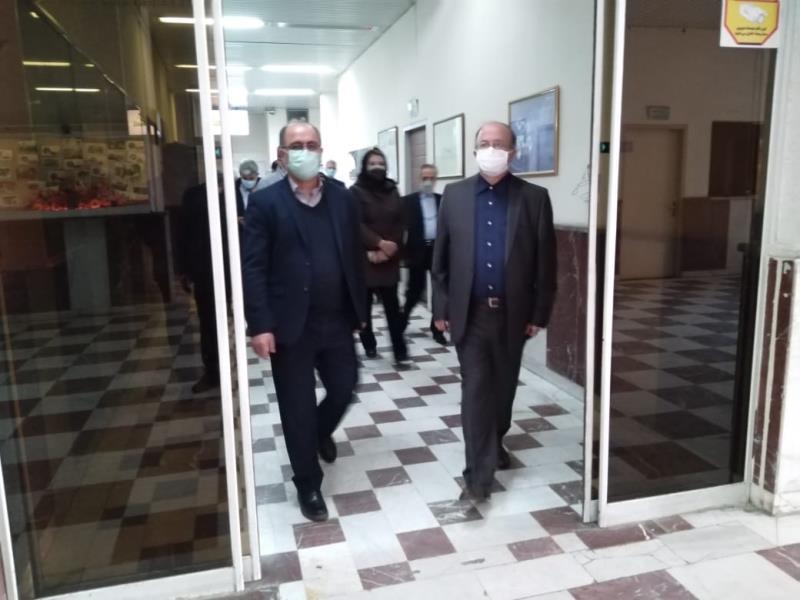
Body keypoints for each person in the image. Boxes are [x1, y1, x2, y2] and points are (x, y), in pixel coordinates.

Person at [243, 120, 366, 522]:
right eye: (297, 145)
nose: (305, 151)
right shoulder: (265, 202)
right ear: (282, 155)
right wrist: (260, 325)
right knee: (297, 406)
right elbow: (253, 267)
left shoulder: (342, 198)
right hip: (289, 325)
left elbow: (352, 257)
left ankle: (318, 432)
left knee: (344, 386)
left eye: (312, 144)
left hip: (336, 319)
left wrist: (359, 311)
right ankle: (308, 483)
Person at [432, 121, 557, 501]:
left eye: (498, 144)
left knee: (502, 390)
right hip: (469, 314)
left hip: (512, 315)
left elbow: (545, 262)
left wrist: (539, 313)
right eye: (484, 143)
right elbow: (441, 259)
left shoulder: (534, 198)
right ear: (474, 151)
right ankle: (477, 478)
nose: (490, 149)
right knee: (475, 390)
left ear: (513, 152)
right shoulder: (454, 195)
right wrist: (441, 307)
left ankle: (495, 439)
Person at [351, 148, 408, 363]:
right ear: (365, 167)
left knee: (393, 309)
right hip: (366, 258)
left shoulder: (392, 190)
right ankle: (369, 344)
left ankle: (400, 351)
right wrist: (378, 244)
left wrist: (389, 248)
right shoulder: (355, 191)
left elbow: (400, 221)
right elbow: (356, 224)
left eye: (381, 163)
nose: (377, 167)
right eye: (372, 163)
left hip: (388, 260)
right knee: (364, 309)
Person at [178, 175, 231, 394]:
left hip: (239, 266)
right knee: (209, 322)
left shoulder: (238, 192)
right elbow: (183, 233)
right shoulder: (194, 196)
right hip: (206, 269)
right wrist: (184, 270)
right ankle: (213, 372)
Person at [401, 163, 447, 345]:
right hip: (417, 251)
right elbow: (400, 228)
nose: (428, 181)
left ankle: (437, 330)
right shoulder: (408, 201)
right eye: (424, 178)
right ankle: (402, 321)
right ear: (418, 178)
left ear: (436, 179)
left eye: (431, 178)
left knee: (439, 291)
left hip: (437, 250)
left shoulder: (442, 200)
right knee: (414, 289)